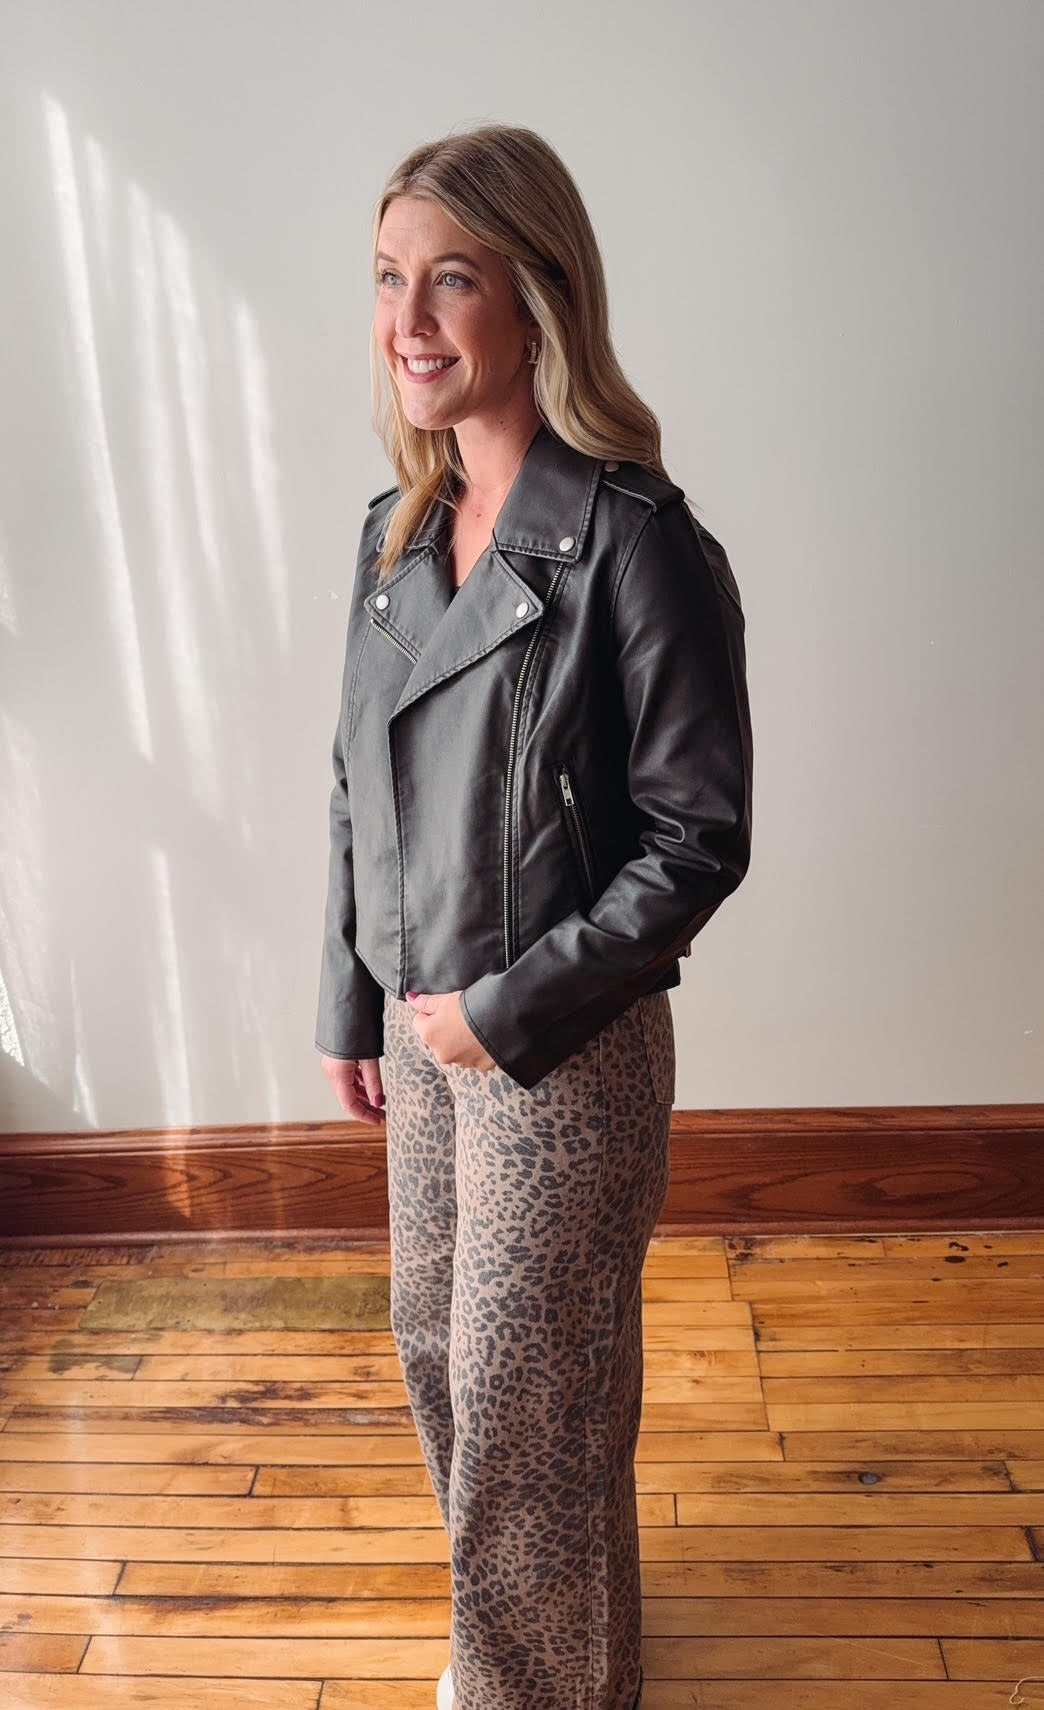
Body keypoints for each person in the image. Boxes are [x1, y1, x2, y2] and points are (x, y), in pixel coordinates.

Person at [315, 123, 753, 1710]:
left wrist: (500, 1013)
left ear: (536, 298)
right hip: (423, 1031)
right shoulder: (390, 532)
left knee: (529, 1389)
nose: (408, 318)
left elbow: (698, 837)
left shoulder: (638, 540)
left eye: (452, 278)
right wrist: (349, 999)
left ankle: (534, 1686)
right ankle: (535, 1642)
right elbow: (356, 785)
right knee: (442, 1352)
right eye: (387, 278)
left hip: (558, 1048)